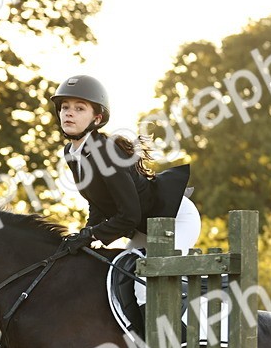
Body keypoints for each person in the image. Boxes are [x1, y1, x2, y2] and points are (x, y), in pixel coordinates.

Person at [52, 75, 200, 260]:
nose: (69, 113)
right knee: (123, 275)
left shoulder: (106, 152)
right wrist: (85, 234)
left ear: (97, 119)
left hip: (176, 219)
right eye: (65, 107)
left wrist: (92, 234)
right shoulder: (71, 152)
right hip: (145, 227)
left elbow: (130, 214)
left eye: (79, 108)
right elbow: (97, 201)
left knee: (145, 284)